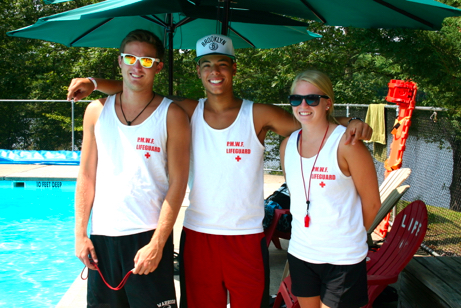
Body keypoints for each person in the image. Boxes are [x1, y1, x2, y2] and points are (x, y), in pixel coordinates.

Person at [68, 34, 372, 308]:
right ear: (198, 71)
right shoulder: (186, 109)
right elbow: (140, 88)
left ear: (234, 69)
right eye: (207, 65)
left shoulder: (258, 113)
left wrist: (348, 121)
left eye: (223, 64)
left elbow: (310, 119)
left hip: (246, 238)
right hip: (199, 236)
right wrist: (95, 83)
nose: (215, 72)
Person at [75, 29, 190, 308]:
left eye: (147, 61)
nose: (137, 66)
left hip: (146, 235)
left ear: (159, 66)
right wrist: (80, 233)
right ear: (120, 62)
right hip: (102, 239)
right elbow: (87, 175)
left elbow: (178, 184)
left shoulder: (172, 115)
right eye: (130, 58)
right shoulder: (96, 111)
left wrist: (158, 244)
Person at [279, 70, 381, 308]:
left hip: (342, 258)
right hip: (302, 253)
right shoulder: (287, 146)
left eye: (312, 99)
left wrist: (349, 235)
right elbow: (299, 196)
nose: (303, 105)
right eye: (296, 99)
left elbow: (372, 202)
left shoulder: (347, 145)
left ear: (328, 103)